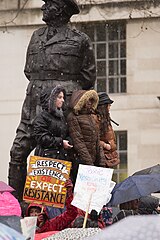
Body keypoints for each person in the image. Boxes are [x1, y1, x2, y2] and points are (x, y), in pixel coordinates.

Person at [9, 0, 96, 202]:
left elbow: (88, 78)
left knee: (73, 157)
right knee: (18, 152)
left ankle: (75, 206)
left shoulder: (79, 39)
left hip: (63, 111)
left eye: (49, 4)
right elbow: (28, 71)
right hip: (32, 107)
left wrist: (63, 92)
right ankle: (15, 206)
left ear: (62, 10)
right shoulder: (36, 36)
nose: (43, 8)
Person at [67, 90, 106, 182]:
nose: (89, 103)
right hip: (81, 161)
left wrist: (101, 161)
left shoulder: (91, 117)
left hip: (92, 162)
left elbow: (97, 139)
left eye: (91, 100)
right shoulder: (73, 117)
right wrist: (89, 163)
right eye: (87, 100)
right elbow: (78, 142)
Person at [33, 85, 73, 160]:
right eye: (60, 97)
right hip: (46, 159)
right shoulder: (41, 117)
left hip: (60, 158)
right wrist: (61, 142)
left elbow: (66, 133)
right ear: (51, 99)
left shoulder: (62, 117)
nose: (63, 100)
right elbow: (42, 138)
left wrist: (68, 141)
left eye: (63, 97)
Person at [96, 92, 120, 168]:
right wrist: (105, 145)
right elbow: (92, 138)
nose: (109, 107)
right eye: (108, 105)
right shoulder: (97, 119)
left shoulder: (106, 119)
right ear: (103, 106)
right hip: (102, 157)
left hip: (109, 156)